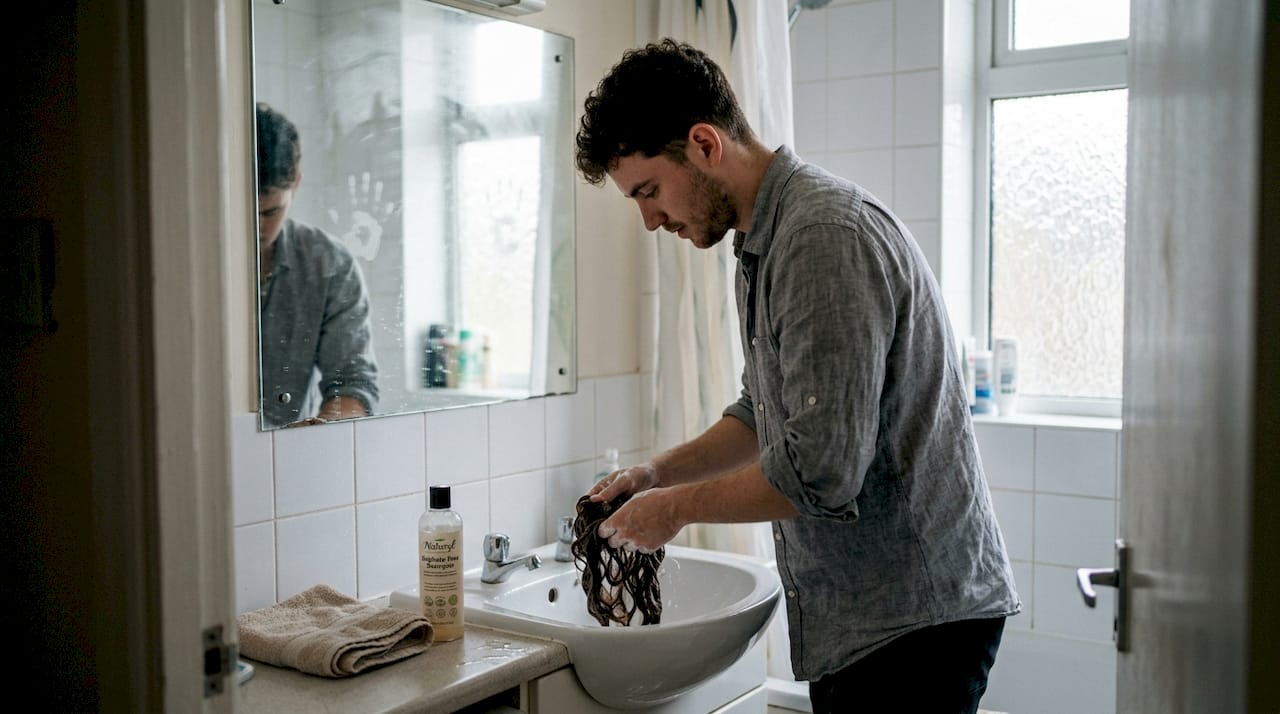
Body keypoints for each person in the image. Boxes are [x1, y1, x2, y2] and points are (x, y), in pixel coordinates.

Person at [574, 39, 1020, 713]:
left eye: (649, 191)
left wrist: (671, 513)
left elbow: (819, 471)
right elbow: (764, 412)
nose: (650, 220)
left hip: (911, 622)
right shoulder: (763, 242)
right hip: (873, 618)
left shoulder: (820, 238)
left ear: (703, 144)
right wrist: (657, 475)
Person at [255, 102, 379, 428]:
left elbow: (354, 383)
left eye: (269, 213)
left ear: (296, 183)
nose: (254, 228)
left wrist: (320, 428)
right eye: (243, 211)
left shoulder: (329, 264)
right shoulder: (183, 263)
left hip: (290, 465)